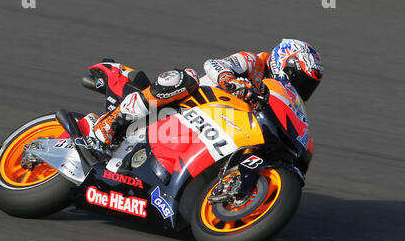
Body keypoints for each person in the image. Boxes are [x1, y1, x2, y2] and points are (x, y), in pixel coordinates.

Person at [87, 39, 324, 145]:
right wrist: (229, 80)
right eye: (300, 80)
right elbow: (213, 64)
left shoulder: (274, 97)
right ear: (286, 63)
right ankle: (110, 122)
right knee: (185, 77)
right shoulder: (254, 62)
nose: (300, 89)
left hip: (215, 128)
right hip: (191, 103)